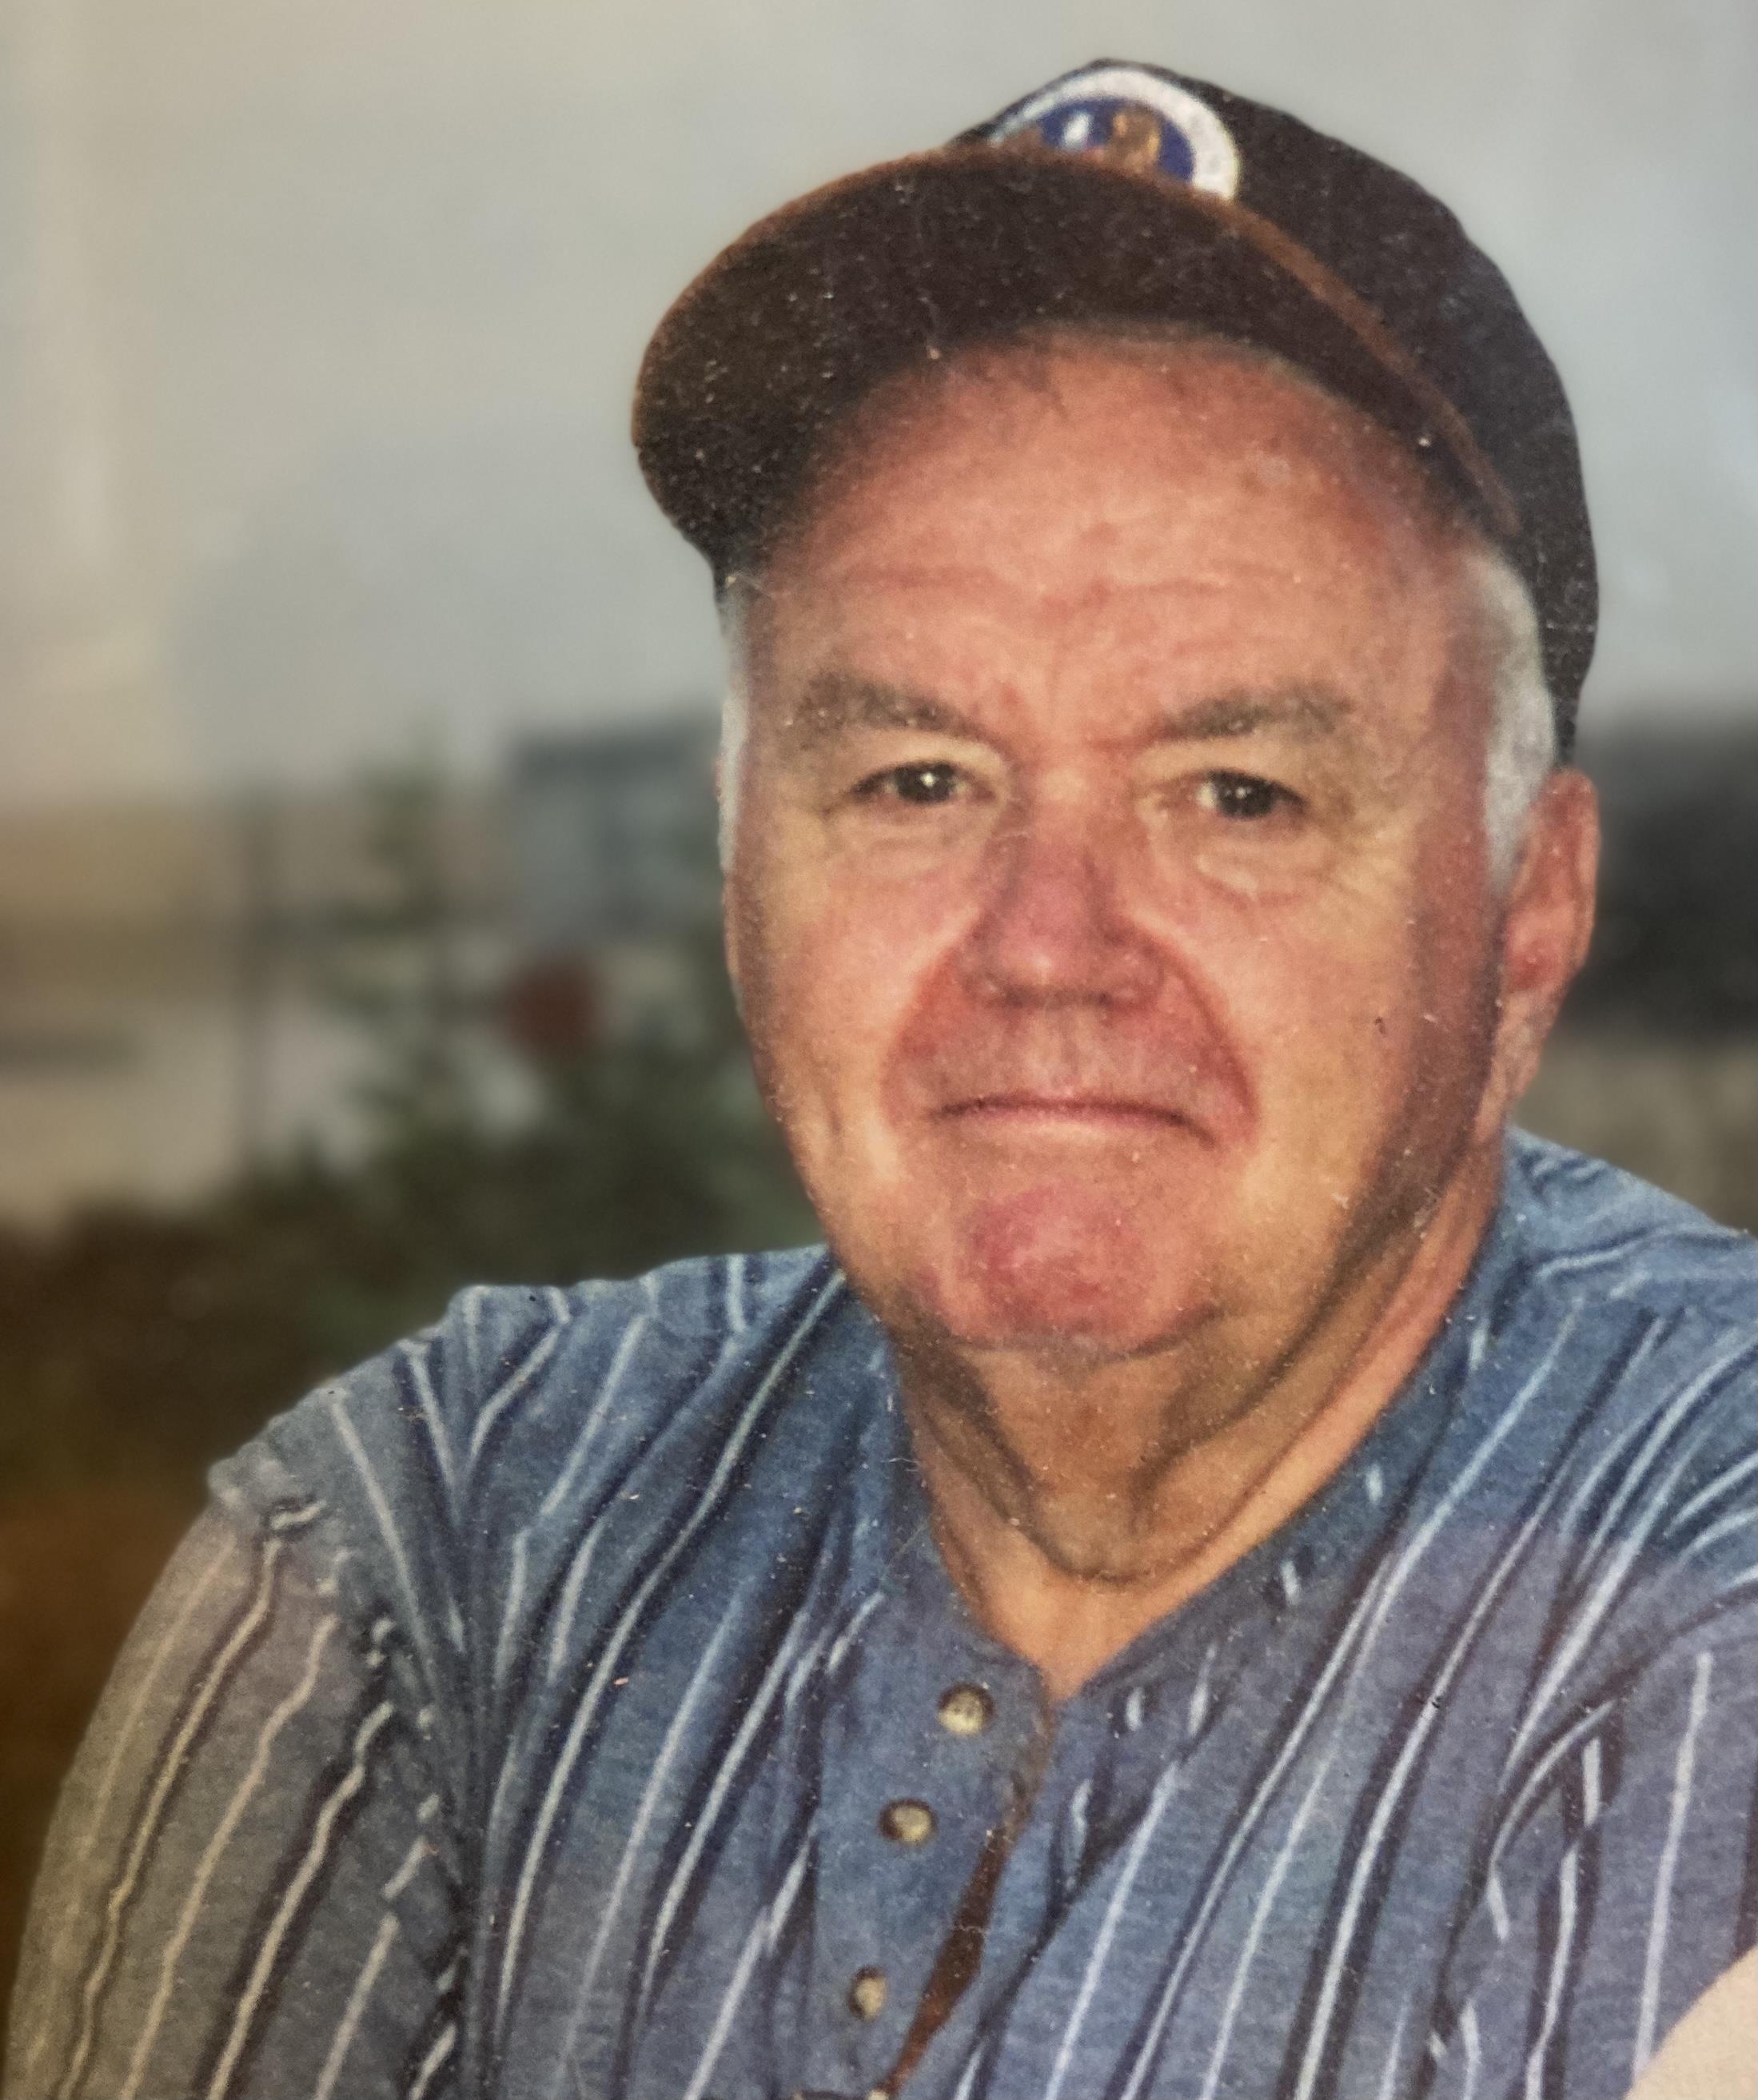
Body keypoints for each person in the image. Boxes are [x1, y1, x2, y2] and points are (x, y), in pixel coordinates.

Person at [9, 58, 1755, 2100]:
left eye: (1237, 792)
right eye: (915, 778)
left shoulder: (1698, 1576)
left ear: (1523, 923)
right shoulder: (433, 1545)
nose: (1045, 941)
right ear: (738, 876)